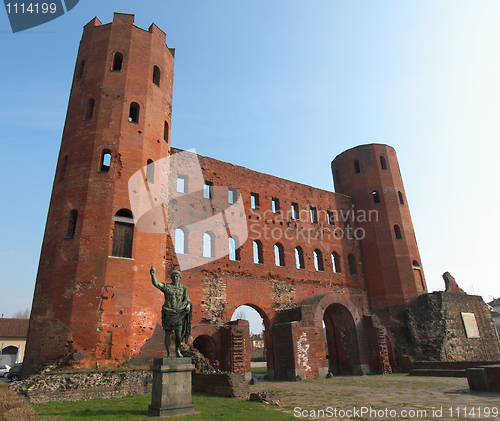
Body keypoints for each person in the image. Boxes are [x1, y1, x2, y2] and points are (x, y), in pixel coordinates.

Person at [150, 266, 192, 357]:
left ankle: (177, 350)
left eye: (177, 276)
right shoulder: (167, 287)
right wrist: (153, 274)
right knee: (168, 333)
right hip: (168, 313)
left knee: (178, 335)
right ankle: (169, 353)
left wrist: (188, 305)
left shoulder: (183, 289)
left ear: (179, 277)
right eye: (173, 276)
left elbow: (187, 299)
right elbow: (156, 283)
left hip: (179, 314)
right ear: (171, 278)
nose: (175, 278)